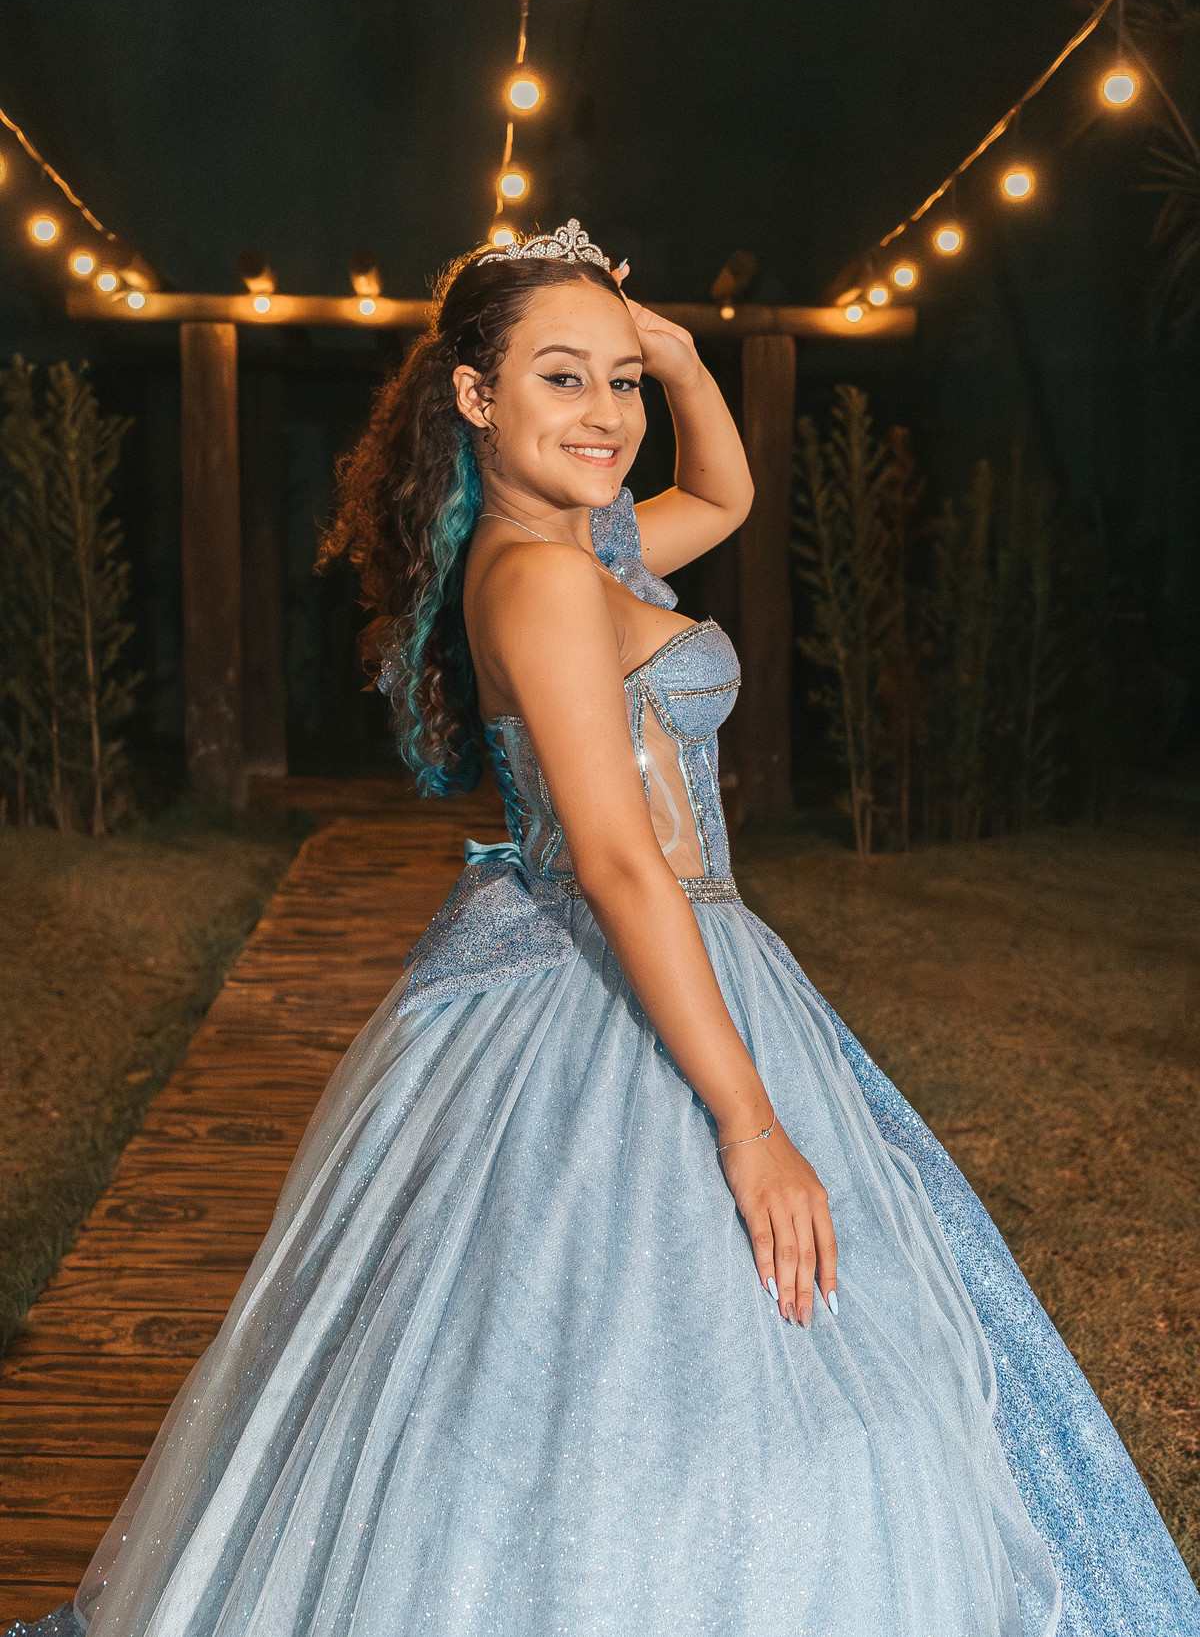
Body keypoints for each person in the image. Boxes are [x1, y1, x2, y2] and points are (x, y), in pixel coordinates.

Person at [9, 220, 1197, 1637]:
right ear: (474, 395)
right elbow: (625, 866)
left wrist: (674, 354)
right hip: (625, 968)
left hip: (702, 950)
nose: (606, 413)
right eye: (561, 377)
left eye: (618, 381)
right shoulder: (543, 580)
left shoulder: (583, 545)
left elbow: (730, 492)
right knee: (670, 1368)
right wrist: (749, 1123)